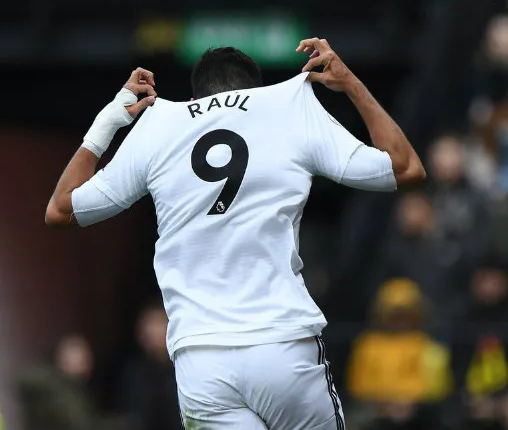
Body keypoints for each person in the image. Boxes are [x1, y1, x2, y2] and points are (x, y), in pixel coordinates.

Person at [43, 38, 426, 430]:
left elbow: (60, 209)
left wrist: (111, 117)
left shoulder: (159, 125)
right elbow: (405, 167)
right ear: (256, 92)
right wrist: (350, 83)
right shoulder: (286, 107)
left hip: (201, 360)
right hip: (282, 345)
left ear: (195, 98)